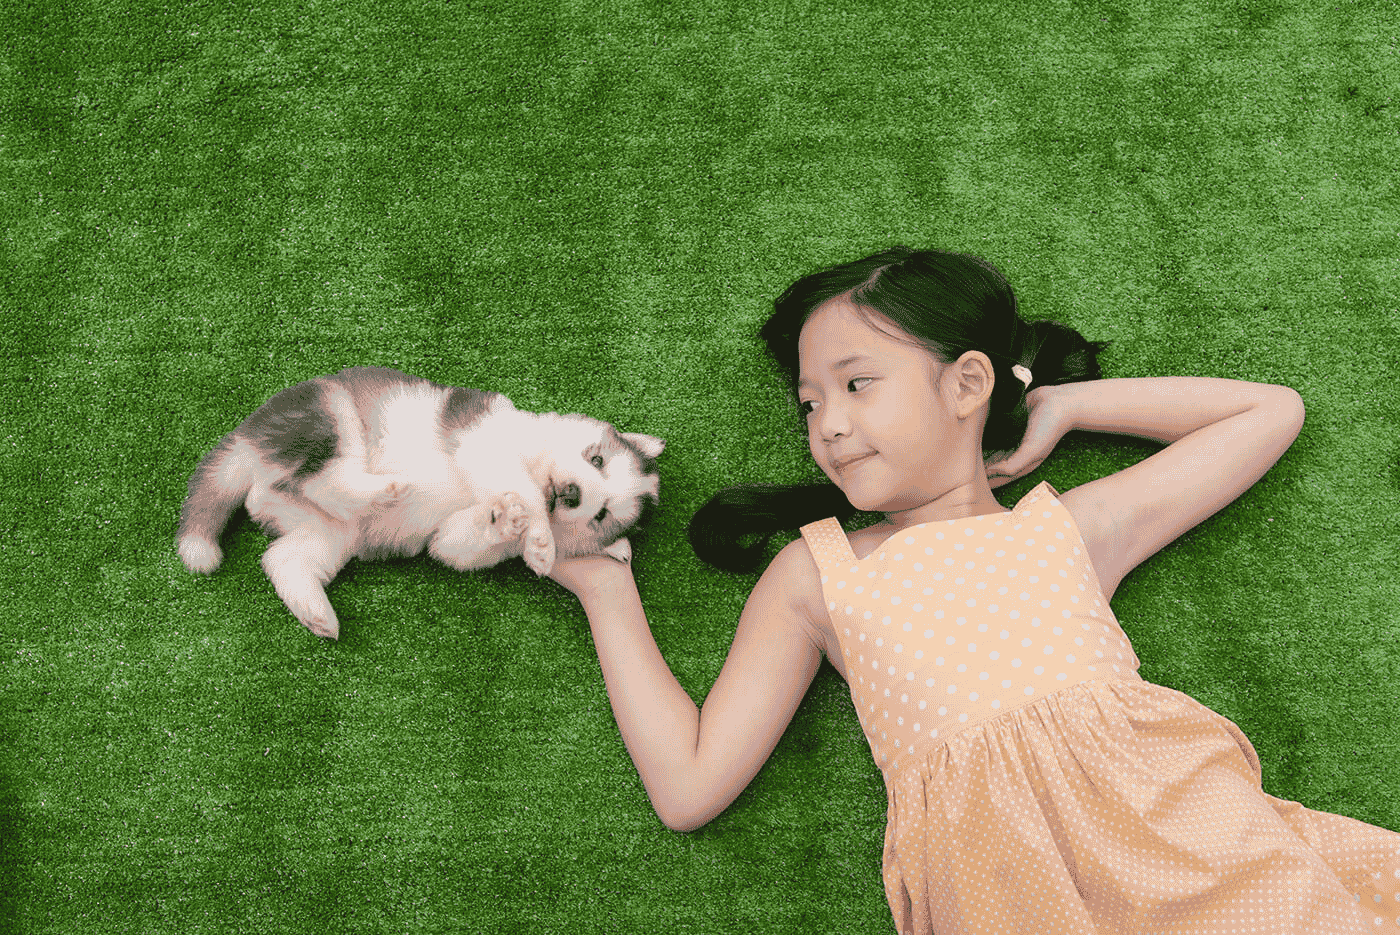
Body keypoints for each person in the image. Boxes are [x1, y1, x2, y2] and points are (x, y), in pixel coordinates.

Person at [545, 246, 1400, 933]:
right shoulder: (816, 572)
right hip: (1004, 888)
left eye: (856, 383)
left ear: (967, 383)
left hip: (1193, 847)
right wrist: (603, 590)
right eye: (809, 404)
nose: (828, 424)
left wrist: (1064, 407)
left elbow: (1268, 413)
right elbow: (690, 786)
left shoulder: (1063, 527)